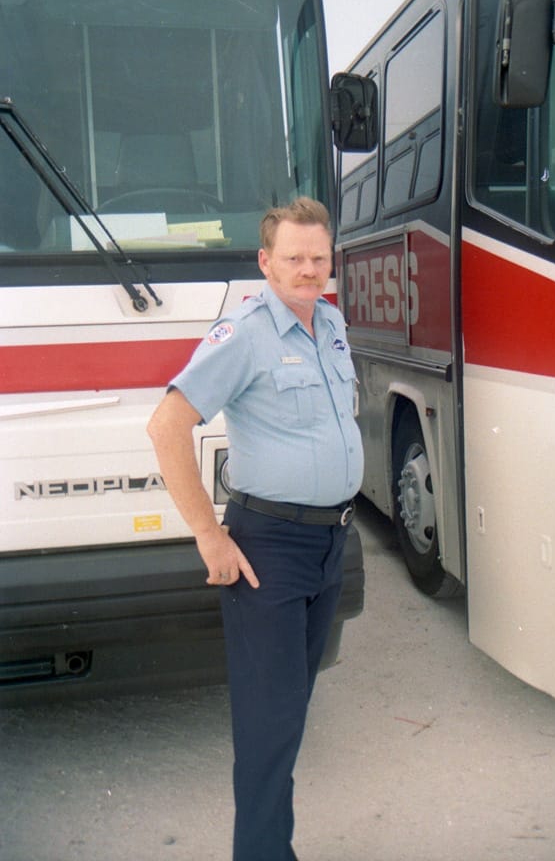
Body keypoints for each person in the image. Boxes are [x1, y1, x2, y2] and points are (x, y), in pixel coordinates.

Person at [147, 196, 363, 861]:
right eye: (294, 258)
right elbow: (167, 426)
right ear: (266, 262)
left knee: (290, 712)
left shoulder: (331, 322)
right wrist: (208, 535)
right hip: (270, 547)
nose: (308, 269)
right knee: (270, 726)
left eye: (319, 258)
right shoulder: (242, 333)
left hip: (329, 542)